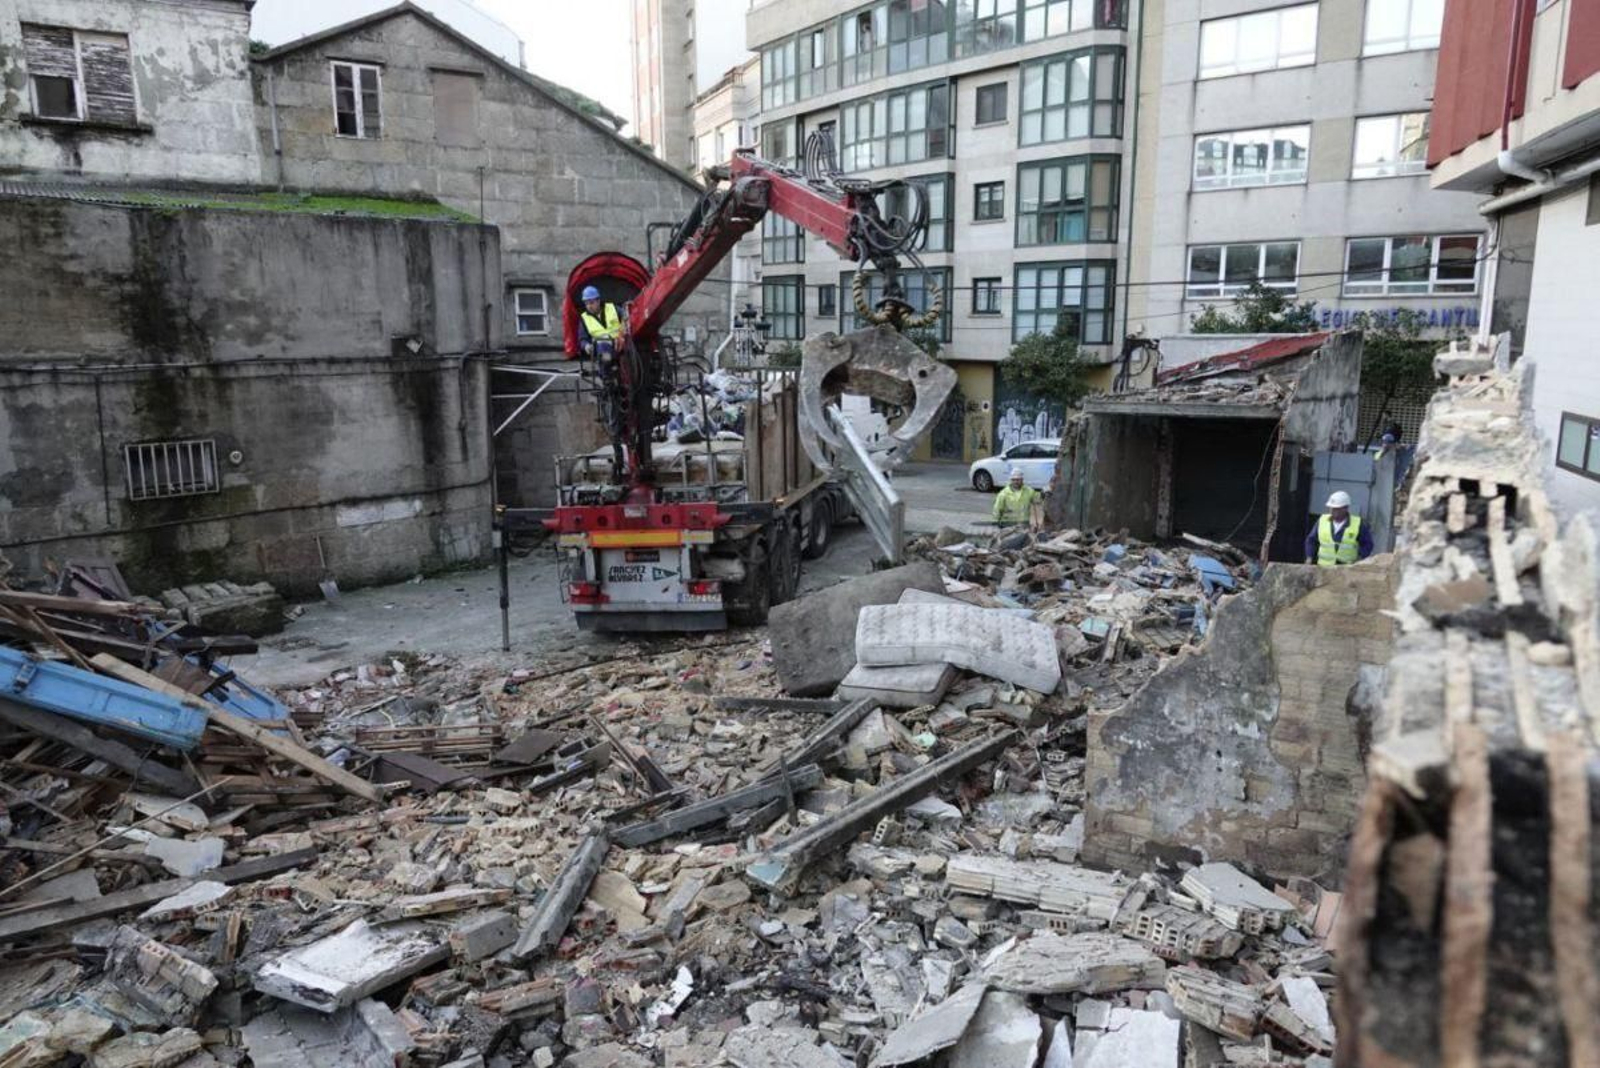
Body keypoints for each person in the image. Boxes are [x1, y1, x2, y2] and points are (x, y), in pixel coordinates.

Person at [1305, 490, 1373, 566]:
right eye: (1331, 508)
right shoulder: (1322, 521)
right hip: (1323, 567)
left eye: (1336, 509)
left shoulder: (1357, 524)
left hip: (1346, 568)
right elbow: (1311, 540)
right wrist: (1309, 558)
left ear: (1345, 508)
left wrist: (1359, 559)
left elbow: (1367, 544)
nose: (1332, 511)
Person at [577, 285, 624, 357]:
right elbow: (582, 339)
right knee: (604, 349)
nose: (589, 306)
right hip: (600, 348)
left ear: (598, 301)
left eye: (591, 303)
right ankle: (607, 361)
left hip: (619, 343)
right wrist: (586, 346)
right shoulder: (584, 318)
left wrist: (621, 335)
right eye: (586, 303)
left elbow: (626, 316)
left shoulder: (613, 308)